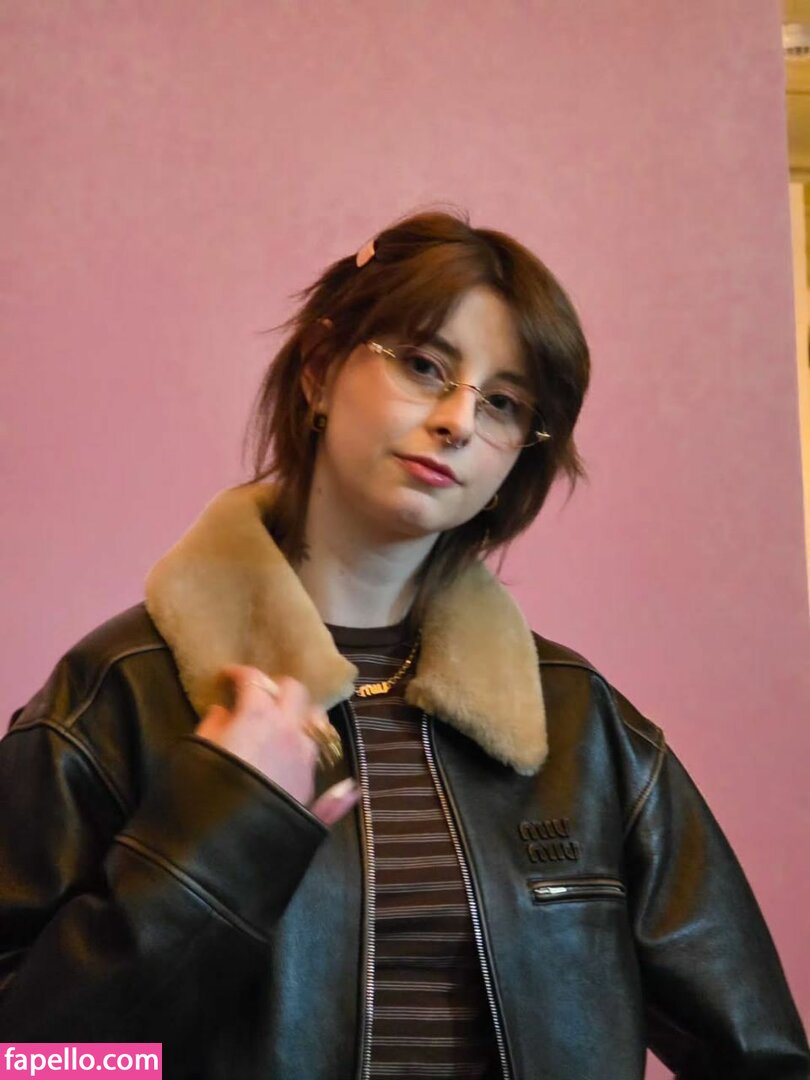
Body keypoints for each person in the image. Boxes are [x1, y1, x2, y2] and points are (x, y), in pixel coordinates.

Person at [0, 211, 806, 1080]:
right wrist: (213, 840)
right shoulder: (120, 696)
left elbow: (763, 1059)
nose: (458, 420)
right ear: (319, 370)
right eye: (425, 366)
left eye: (503, 404)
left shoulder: (580, 724)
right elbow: (34, 1064)